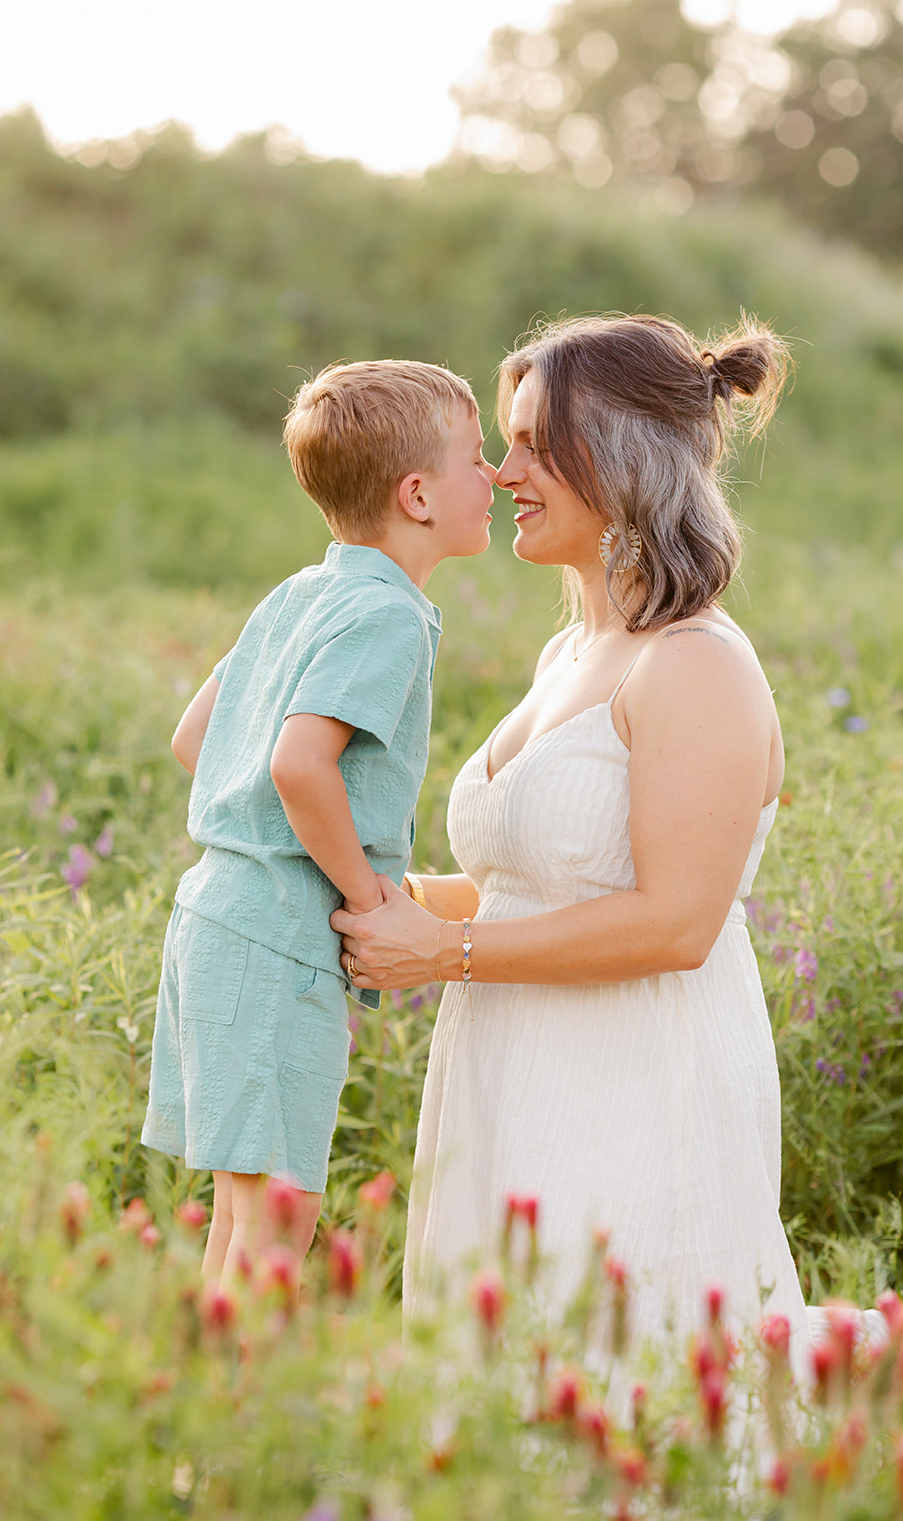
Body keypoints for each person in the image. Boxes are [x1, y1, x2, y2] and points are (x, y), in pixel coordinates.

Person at [332, 315, 813, 1374]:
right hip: (511, 1066)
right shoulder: (571, 649)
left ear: (623, 459)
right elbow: (532, 885)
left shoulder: (693, 665)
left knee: (616, 1375)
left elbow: (677, 921)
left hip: (636, 1081)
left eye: (535, 447)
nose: (504, 473)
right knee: (504, 1371)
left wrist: (442, 953)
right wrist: (384, 894)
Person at [141, 359, 497, 1292]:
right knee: (278, 1218)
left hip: (217, 916)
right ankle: (237, 1428)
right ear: (417, 494)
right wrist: (366, 894)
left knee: (244, 1208)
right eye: (478, 457)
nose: (495, 476)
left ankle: (197, 1423)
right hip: (277, 939)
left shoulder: (301, 594)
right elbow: (297, 764)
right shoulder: (388, 614)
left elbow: (195, 738)